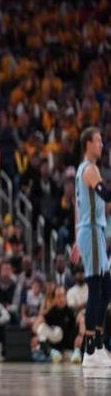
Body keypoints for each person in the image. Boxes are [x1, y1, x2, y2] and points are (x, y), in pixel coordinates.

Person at [71, 127, 111, 367]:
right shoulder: (89, 169)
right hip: (93, 231)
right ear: (87, 143)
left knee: (106, 287)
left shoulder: (83, 169)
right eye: (98, 141)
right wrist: (81, 235)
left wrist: (77, 238)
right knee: (96, 287)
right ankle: (90, 349)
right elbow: (105, 194)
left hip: (92, 231)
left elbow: (78, 206)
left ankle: (97, 342)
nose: (102, 145)